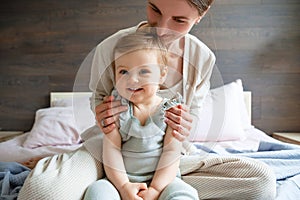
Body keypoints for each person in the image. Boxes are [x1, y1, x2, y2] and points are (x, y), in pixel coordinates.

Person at [19, 0, 276, 199]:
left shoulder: (202, 57)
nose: (161, 28)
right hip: (111, 153)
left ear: (201, 16)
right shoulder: (113, 46)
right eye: (155, 9)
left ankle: (150, 189)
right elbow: (98, 98)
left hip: (170, 157)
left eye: (179, 20)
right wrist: (103, 112)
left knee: (261, 182)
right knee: (41, 194)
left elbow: (191, 117)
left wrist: (183, 128)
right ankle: (95, 179)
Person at [84, 31, 198, 200]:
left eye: (143, 72)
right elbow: (112, 151)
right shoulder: (116, 108)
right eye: (123, 72)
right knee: (97, 191)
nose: (132, 80)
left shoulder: (171, 111)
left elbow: (171, 153)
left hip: (164, 181)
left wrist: (155, 190)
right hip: (121, 179)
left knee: (184, 194)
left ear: (162, 74)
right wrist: (123, 187)